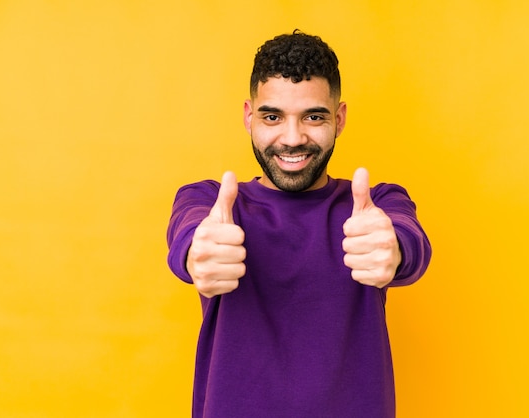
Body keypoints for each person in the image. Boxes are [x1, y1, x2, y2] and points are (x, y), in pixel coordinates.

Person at [167, 30, 432, 418]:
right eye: (272, 116)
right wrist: (197, 253)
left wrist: (394, 249)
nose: (292, 138)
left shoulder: (379, 205)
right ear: (248, 116)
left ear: (339, 119)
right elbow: (188, 237)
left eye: (313, 116)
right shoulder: (209, 203)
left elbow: (409, 243)